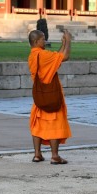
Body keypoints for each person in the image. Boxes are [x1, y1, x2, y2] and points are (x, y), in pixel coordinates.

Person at [28, 29, 72, 165]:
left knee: (37, 125)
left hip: (40, 96)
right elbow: (64, 57)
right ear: (36, 41)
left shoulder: (33, 55)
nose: (45, 41)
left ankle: (37, 154)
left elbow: (56, 57)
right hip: (51, 96)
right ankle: (55, 156)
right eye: (42, 39)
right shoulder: (43, 55)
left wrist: (63, 44)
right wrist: (69, 41)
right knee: (55, 124)